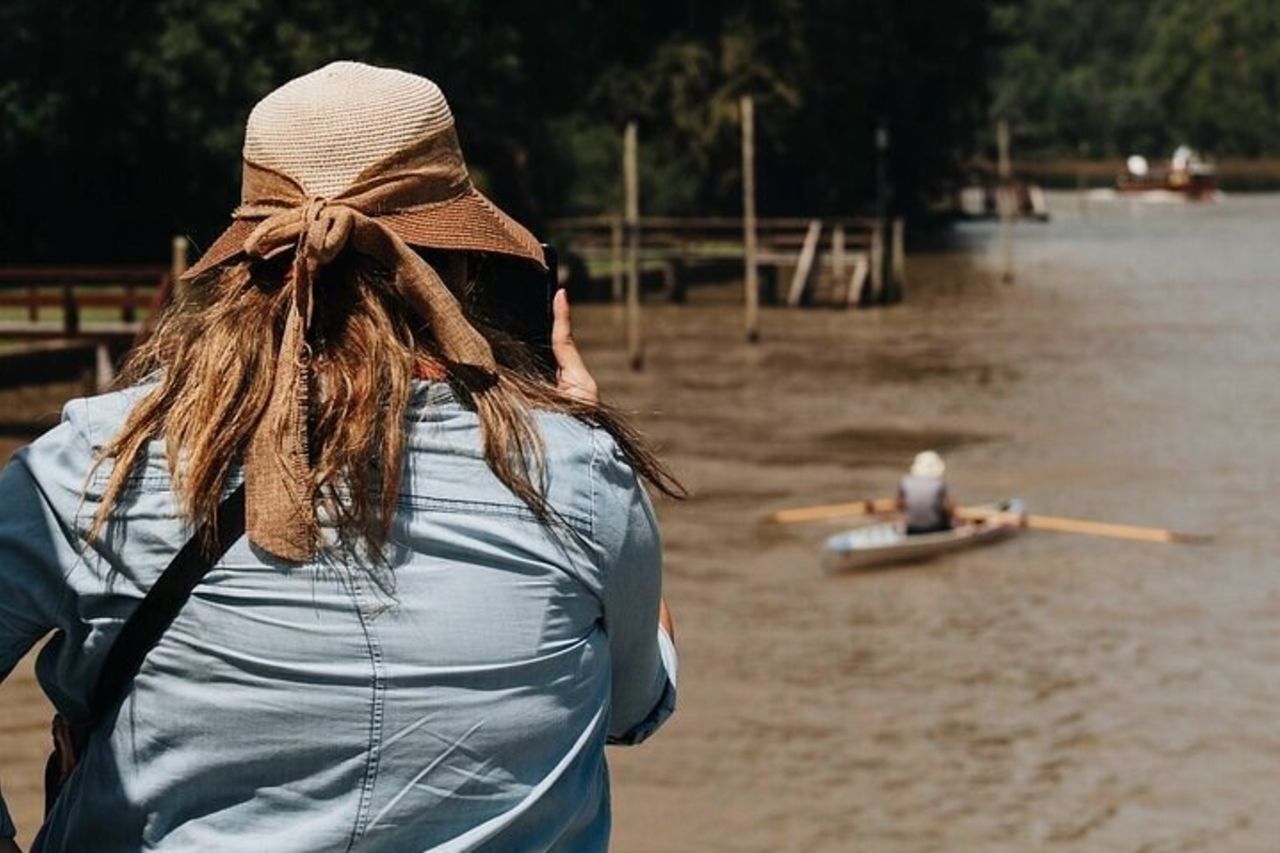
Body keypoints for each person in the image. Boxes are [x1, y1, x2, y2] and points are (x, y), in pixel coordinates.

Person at [0, 61, 681, 852]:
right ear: (461, 265)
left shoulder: (97, 463)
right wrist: (592, 446)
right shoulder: (568, 472)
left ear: (243, 265)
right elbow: (634, 705)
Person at [897, 450, 955, 535]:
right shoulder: (938, 484)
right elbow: (948, 508)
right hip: (934, 528)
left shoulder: (905, 481)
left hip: (911, 528)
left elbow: (899, 505)